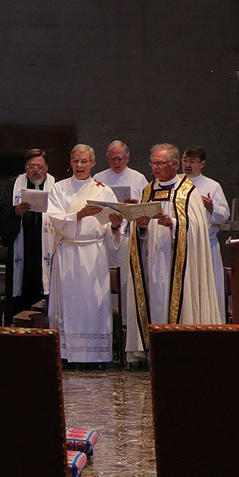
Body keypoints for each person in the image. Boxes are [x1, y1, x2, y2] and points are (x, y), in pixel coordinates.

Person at [42, 144, 120, 367]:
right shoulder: (59, 189)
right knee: (69, 304)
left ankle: (96, 356)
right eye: (75, 161)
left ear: (93, 163)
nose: (79, 165)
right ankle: (67, 355)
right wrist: (80, 214)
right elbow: (53, 220)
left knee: (94, 302)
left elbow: (112, 225)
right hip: (68, 252)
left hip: (94, 254)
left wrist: (115, 226)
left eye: (84, 161)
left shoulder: (103, 190)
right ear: (70, 162)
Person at [146, 142, 232, 326]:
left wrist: (210, 206)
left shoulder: (206, 186)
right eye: (186, 160)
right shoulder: (162, 186)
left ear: (202, 163)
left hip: (201, 247)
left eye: (192, 161)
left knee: (204, 292)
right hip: (164, 250)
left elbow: (223, 216)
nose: (188, 165)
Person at [98, 139, 152, 365]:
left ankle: (129, 336)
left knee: (128, 287)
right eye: (113, 158)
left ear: (128, 158)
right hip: (106, 239)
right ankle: (107, 335)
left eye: (121, 158)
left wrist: (134, 205)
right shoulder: (98, 179)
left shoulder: (138, 178)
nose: (117, 162)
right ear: (107, 158)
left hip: (129, 237)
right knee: (106, 286)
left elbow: (147, 208)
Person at [4, 150, 52, 311]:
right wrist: (14, 212)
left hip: (46, 249)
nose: (36, 170)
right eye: (31, 166)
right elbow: (0, 213)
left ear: (47, 168)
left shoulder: (58, 187)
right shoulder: (13, 185)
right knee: (19, 300)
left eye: (39, 166)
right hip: (21, 250)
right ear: (25, 167)